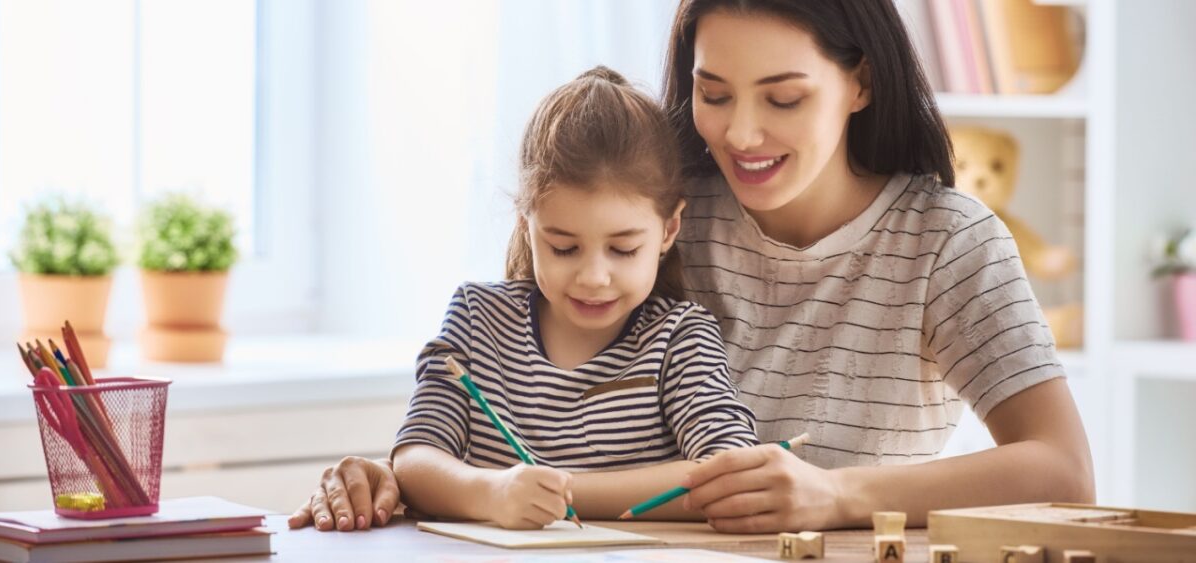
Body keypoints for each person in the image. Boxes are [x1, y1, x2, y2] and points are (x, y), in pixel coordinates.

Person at [290, 0, 1094, 533]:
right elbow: (526, 386)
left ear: (860, 84)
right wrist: (408, 475)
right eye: (714, 93)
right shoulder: (660, 208)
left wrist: (839, 493)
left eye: (783, 99)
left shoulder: (946, 240)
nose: (741, 134)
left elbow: (1062, 471)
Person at [294, 66, 759, 531]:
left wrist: (560, 493)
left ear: (669, 229)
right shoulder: (478, 319)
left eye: (623, 249)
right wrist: (492, 494)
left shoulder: (679, 336)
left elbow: (733, 471)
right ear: (526, 225)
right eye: (563, 247)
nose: (594, 277)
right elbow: (416, 459)